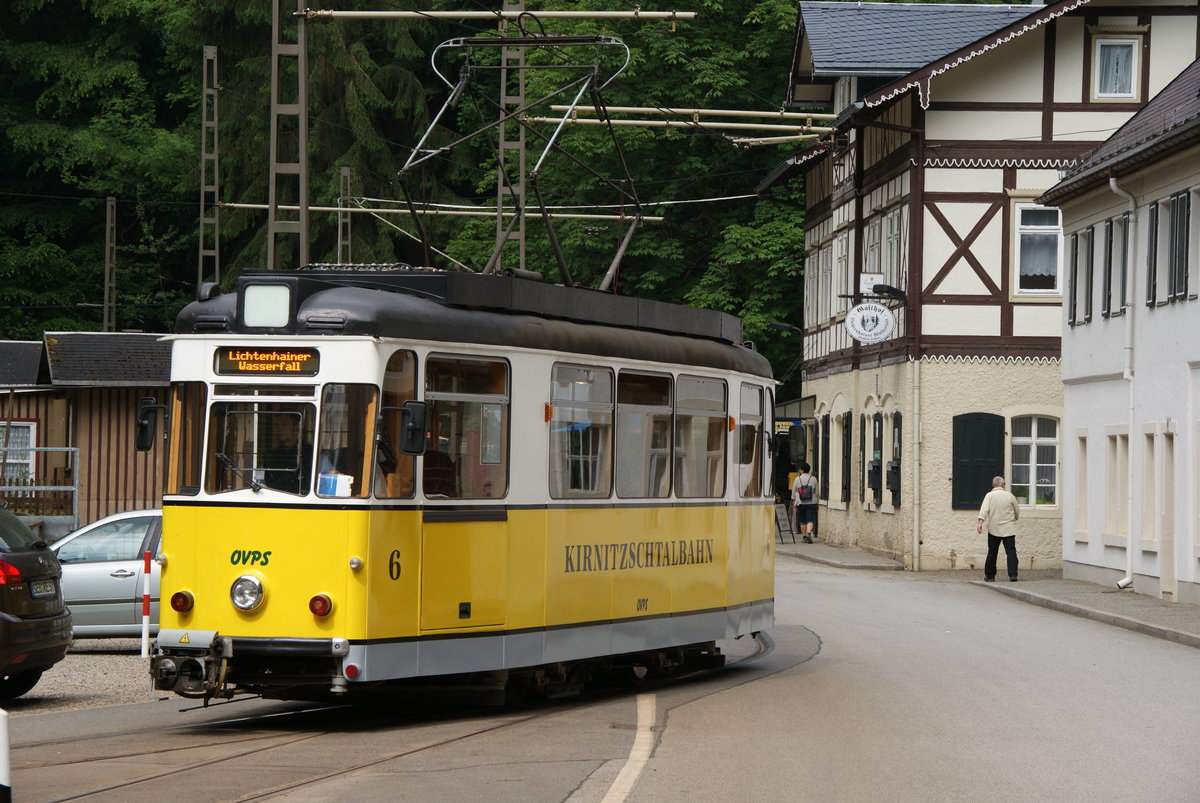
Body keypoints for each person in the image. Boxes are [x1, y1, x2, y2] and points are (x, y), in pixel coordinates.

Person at [977, 475, 1020, 581]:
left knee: (992, 552)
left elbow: (984, 510)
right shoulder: (1009, 496)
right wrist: (1015, 518)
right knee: (1011, 552)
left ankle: (990, 576)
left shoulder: (989, 495)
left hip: (994, 529)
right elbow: (1017, 510)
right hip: (1009, 529)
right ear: (1003, 484)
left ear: (993, 485)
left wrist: (980, 522)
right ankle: (1013, 575)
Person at [791, 461, 818, 544]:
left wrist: (794, 501)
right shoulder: (813, 479)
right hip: (811, 502)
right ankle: (809, 533)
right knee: (810, 519)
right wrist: (817, 502)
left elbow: (794, 491)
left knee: (802, 520)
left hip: (800, 502)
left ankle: (804, 537)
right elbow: (817, 492)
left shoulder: (797, 479)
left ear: (801, 470)